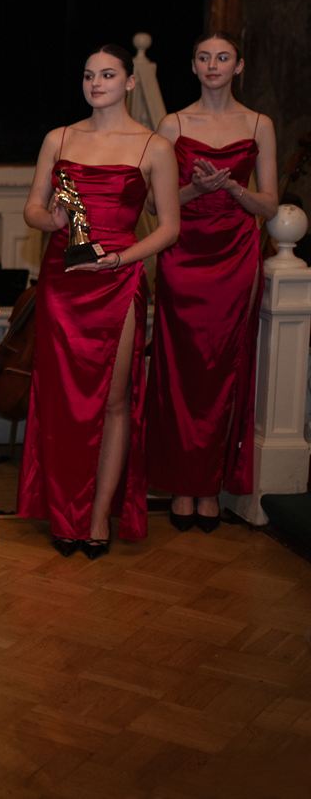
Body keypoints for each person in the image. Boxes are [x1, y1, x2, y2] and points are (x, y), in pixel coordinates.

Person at [17, 44, 179, 559]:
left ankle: (97, 517)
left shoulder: (154, 146)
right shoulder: (59, 138)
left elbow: (170, 229)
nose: (96, 83)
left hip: (118, 280)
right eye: (89, 75)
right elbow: (32, 209)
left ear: (129, 82)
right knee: (60, 399)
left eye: (108, 74)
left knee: (113, 400)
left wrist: (120, 259)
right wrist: (51, 219)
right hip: (63, 281)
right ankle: (64, 514)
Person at [147, 31, 278, 532]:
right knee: (181, 370)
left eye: (223, 57)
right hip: (183, 256)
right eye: (204, 57)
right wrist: (196, 190)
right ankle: (182, 486)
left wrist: (234, 190)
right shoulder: (173, 124)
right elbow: (155, 203)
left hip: (235, 257)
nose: (213, 64)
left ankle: (210, 487)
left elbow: (270, 204)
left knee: (224, 370)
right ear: (194, 66)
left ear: (238, 66)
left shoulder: (260, 124)